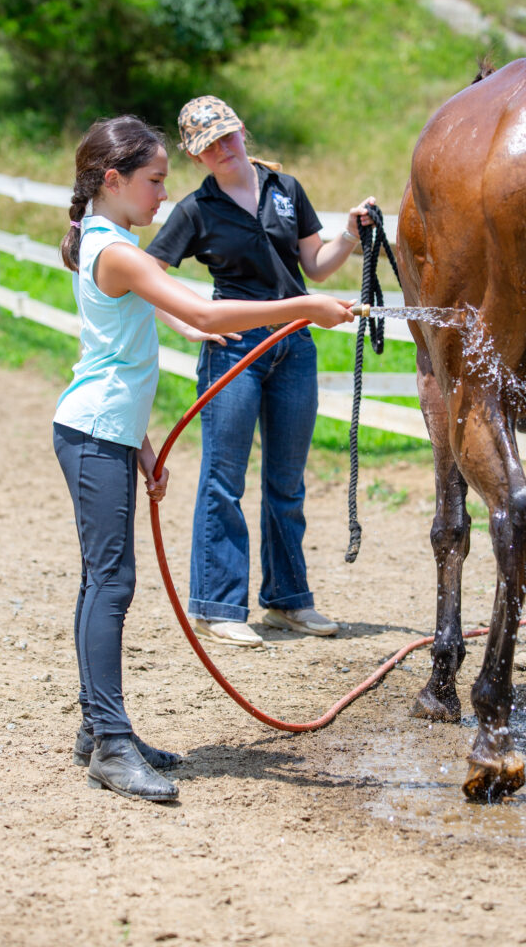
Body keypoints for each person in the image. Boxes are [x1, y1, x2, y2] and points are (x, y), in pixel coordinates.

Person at [53, 114, 354, 803]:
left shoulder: (111, 240)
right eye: (154, 180)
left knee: (101, 581)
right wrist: (300, 306)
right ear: (112, 179)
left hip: (104, 431)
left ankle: (98, 726)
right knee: (111, 583)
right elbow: (208, 316)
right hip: (93, 432)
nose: (164, 194)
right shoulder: (117, 250)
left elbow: (115, 358)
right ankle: (112, 743)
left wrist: (142, 445)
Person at [147, 96, 375, 649]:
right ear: (195, 156)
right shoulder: (195, 209)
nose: (223, 150)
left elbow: (314, 264)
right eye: (209, 146)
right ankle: (217, 605)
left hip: (293, 345)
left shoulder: (286, 189)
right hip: (234, 346)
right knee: (224, 478)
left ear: (242, 130)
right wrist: (186, 326)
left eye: (227, 137)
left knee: (287, 481)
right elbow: (148, 275)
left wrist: (347, 233)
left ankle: (287, 601)